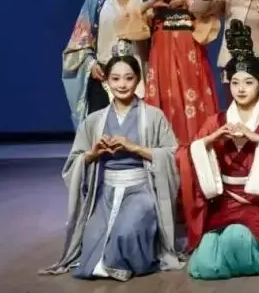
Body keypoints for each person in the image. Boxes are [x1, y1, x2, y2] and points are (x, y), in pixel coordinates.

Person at [42, 46, 181, 280]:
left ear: (138, 79)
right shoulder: (94, 120)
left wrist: (134, 147)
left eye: (129, 78)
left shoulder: (153, 116)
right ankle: (103, 263)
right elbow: (74, 162)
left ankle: (128, 261)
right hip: (105, 192)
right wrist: (93, 154)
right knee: (92, 239)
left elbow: (172, 154)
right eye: (115, 78)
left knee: (125, 231)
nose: (122, 84)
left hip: (141, 190)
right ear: (106, 81)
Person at [179, 21, 259, 279]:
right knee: (202, 263)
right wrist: (209, 140)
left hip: (256, 204)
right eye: (235, 82)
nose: (241, 89)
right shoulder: (216, 121)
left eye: (248, 82)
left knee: (237, 239)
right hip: (223, 202)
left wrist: (258, 139)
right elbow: (184, 153)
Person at [62, 0, 156, 127]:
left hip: (142, 77)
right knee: (102, 130)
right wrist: (91, 63)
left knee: (140, 129)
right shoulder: (95, 1)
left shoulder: (151, 0)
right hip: (104, 76)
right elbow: (79, 42)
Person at [143, 0, 220, 144]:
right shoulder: (157, 8)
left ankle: (197, 154)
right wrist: (150, 5)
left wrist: (193, 2)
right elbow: (129, 25)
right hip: (163, 71)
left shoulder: (199, 7)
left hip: (191, 70)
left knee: (196, 110)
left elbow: (207, 33)